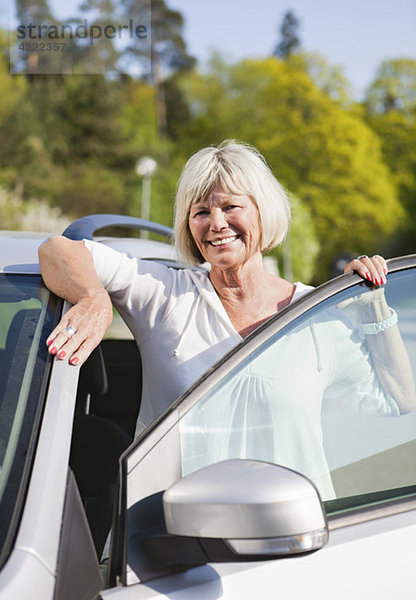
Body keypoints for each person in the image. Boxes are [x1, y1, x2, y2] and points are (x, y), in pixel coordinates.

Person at [39, 140, 416, 446]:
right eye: (200, 212)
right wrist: (93, 296)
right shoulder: (164, 295)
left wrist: (373, 306)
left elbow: (399, 400)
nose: (216, 224)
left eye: (230, 206)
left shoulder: (314, 313)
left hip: (289, 532)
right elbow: (58, 250)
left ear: (262, 213)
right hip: (171, 532)